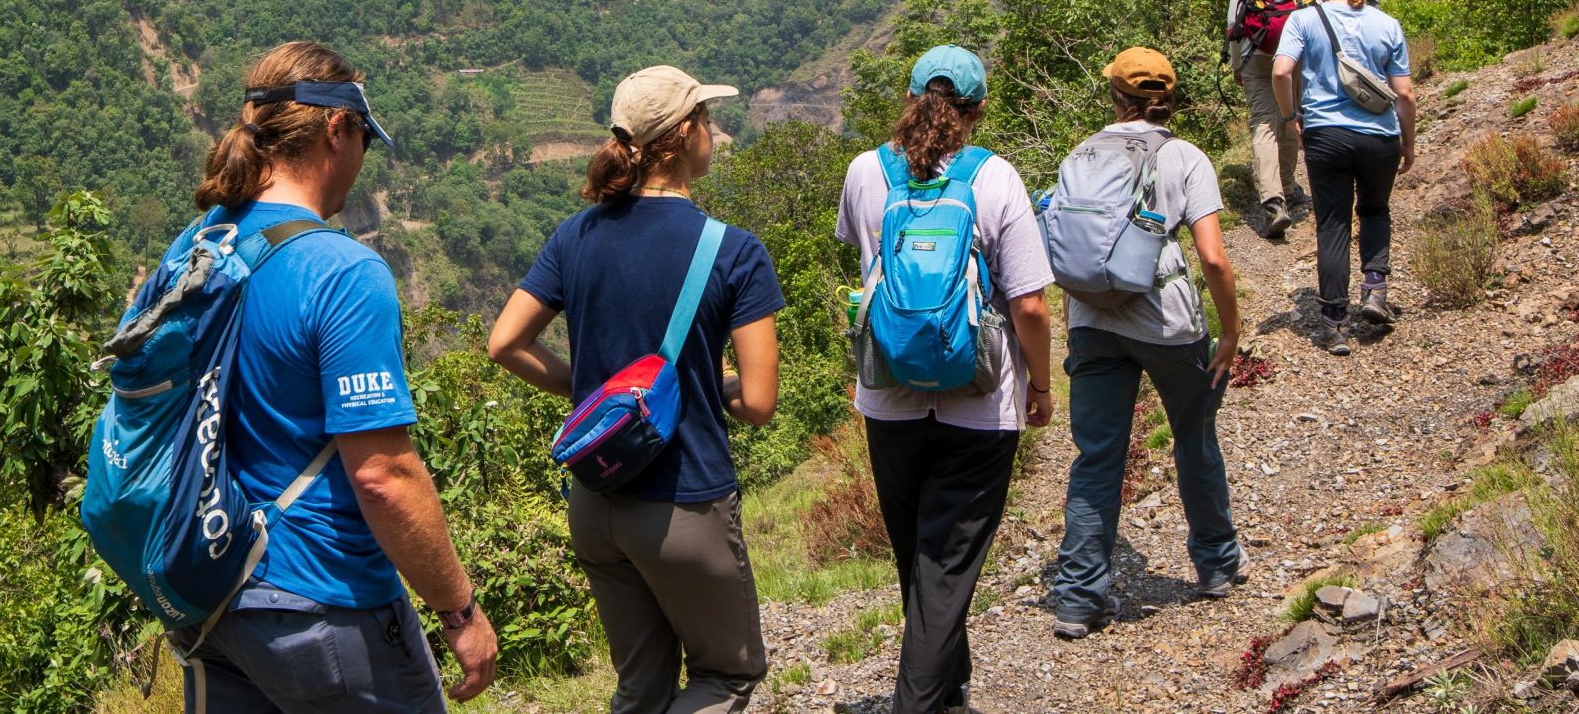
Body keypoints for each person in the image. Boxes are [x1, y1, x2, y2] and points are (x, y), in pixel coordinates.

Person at [159, 41, 500, 713]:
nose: (363, 161)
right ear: (338, 129)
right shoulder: (342, 272)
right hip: (324, 603)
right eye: (365, 140)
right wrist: (459, 612)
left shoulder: (193, 247)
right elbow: (383, 476)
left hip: (211, 600)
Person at [488, 66, 784, 714]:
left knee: (641, 687)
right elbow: (759, 401)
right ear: (682, 135)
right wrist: (712, 384)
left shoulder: (575, 234)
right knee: (726, 675)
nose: (713, 131)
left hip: (595, 504)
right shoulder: (732, 251)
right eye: (707, 118)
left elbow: (504, 341)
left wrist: (595, 391)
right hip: (684, 506)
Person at [837, 47, 1053, 714]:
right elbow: (1030, 305)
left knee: (922, 562)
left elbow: (864, 257)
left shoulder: (866, 171)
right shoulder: (995, 178)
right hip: (978, 402)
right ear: (979, 107)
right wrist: (1040, 385)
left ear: (907, 98)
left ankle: (945, 691)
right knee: (947, 566)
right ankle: (921, 701)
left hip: (889, 396)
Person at [1049, 49, 1245, 642]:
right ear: (1170, 98)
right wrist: (1231, 329)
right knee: (1193, 436)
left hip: (1091, 323)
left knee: (1097, 458)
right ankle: (1214, 565)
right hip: (1166, 322)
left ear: (1114, 96)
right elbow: (1212, 255)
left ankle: (1079, 597)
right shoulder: (1183, 156)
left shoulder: (1079, 154)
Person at [1271, 0, 1418, 355]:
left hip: (1325, 135)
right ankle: (1374, 291)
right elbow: (1404, 93)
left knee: (1332, 224)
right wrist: (1408, 142)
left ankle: (1335, 324)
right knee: (1374, 210)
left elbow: (1281, 71)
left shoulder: (1303, 20)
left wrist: (1290, 117)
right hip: (1380, 136)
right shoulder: (1386, 23)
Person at [1228, 0, 1315, 240]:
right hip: (1296, 56)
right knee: (1290, 117)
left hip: (1256, 53)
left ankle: (1273, 202)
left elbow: (1234, 18)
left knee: (1263, 126)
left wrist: (1237, 63)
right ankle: (1290, 187)